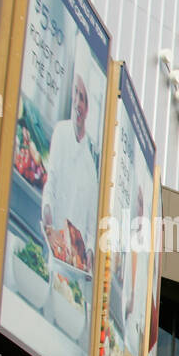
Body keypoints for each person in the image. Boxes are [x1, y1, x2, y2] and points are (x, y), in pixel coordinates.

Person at [40, 73, 99, 271]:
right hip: (53, 248)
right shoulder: (61, 132)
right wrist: (48, 224)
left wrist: (89, 253)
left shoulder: (91, 170)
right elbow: (51, 183)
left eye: (82, 97)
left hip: (75, 265)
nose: (77, 102)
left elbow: (91, 228)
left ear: (88, 108)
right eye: (75, 93)